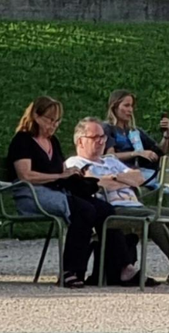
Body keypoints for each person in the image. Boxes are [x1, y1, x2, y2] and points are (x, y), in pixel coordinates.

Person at [65, 119, 169, 285]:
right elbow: (94, 185)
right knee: (150, 216)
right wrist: (121, 180)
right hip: (112, 209)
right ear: (80, 140)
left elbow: (138, 178)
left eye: (103, 137)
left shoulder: (110, 161)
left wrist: (114, 177)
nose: (100, 141)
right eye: (95, 137)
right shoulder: (75, 163)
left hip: (134, 204)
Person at [6, 95, 114, 288]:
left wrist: (71, 174)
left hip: (56, 190)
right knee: (83, 210)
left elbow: (59, 170)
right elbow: (25, 176)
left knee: (105, 210)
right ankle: (70, 271)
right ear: (36, 117)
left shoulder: (53, 142)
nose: (54, 125)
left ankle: (110, 269)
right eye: (50, 120)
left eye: (57, 121)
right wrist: (60, 177)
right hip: (32, 194)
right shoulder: (22, 141)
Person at [105, 90, 160, 183]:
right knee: (161, 182)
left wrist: (167, 134)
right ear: (115, 107)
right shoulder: (108, 128)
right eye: (126, 105)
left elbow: (158, 150)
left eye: (131, 106)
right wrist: (136, 153)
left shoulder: (134, 130)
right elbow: (110, 156)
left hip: (137, 169)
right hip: (120, 171)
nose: (130, 110)